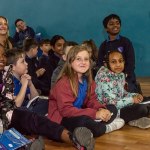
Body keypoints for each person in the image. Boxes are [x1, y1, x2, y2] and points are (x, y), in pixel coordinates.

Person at [0, 47, 95, 150]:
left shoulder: (6, 76)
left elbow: (9, 106)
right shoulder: (9, 78)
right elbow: (15, 105)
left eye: (2, 55)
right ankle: (26, 146)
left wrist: (30, 84)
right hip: (10, 116)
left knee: (33, 118)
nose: (1, 58)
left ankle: (74, 139)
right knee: (28, 112)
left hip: (7, 114)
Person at [48, 45, 125, 138]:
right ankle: (104, 128)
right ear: (70, 62)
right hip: (62, 118)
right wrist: (94, 114)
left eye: (86, 59)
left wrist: (101, 109)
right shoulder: (63, 83)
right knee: (83, 121)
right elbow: (66, 110)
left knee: (111, 108)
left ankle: (98, 125)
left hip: (78, 112)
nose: (83, 62)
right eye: (78, 59)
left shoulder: (88, 80)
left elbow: (91, 100)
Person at [95, 50, 150, 129]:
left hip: (122, 103)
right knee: (142, 109)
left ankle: (135, 117)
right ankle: (135, 117)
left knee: (146, 100)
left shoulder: (120, 75)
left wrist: (135, 95)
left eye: (120, 61)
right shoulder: (104, 78)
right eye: (113, 62)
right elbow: (112, 103)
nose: (118, 64)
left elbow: (123, 93)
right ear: (106, 64)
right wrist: (131, 100)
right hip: (111, 111)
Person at [98, 14, 139, 93]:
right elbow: (100, 65)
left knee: (128, 93)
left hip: (126, 78)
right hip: (108, 79)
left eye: (117, 23)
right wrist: (109, 78)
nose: (115, 25)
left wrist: (124, 76)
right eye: (111, 24)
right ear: (106, 29)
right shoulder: (103, 46)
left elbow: (131, 63)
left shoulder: (126, 42)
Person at [5, 48, 48, 116]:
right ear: (13, 67)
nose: (26, 63)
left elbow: (35, 99)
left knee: (46, 103)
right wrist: (24, 85)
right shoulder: (8, 82)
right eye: (22, 62)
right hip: (16, 115)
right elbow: (16, 105)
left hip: (26, 110)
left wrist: (30, 84)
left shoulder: (22, 78)